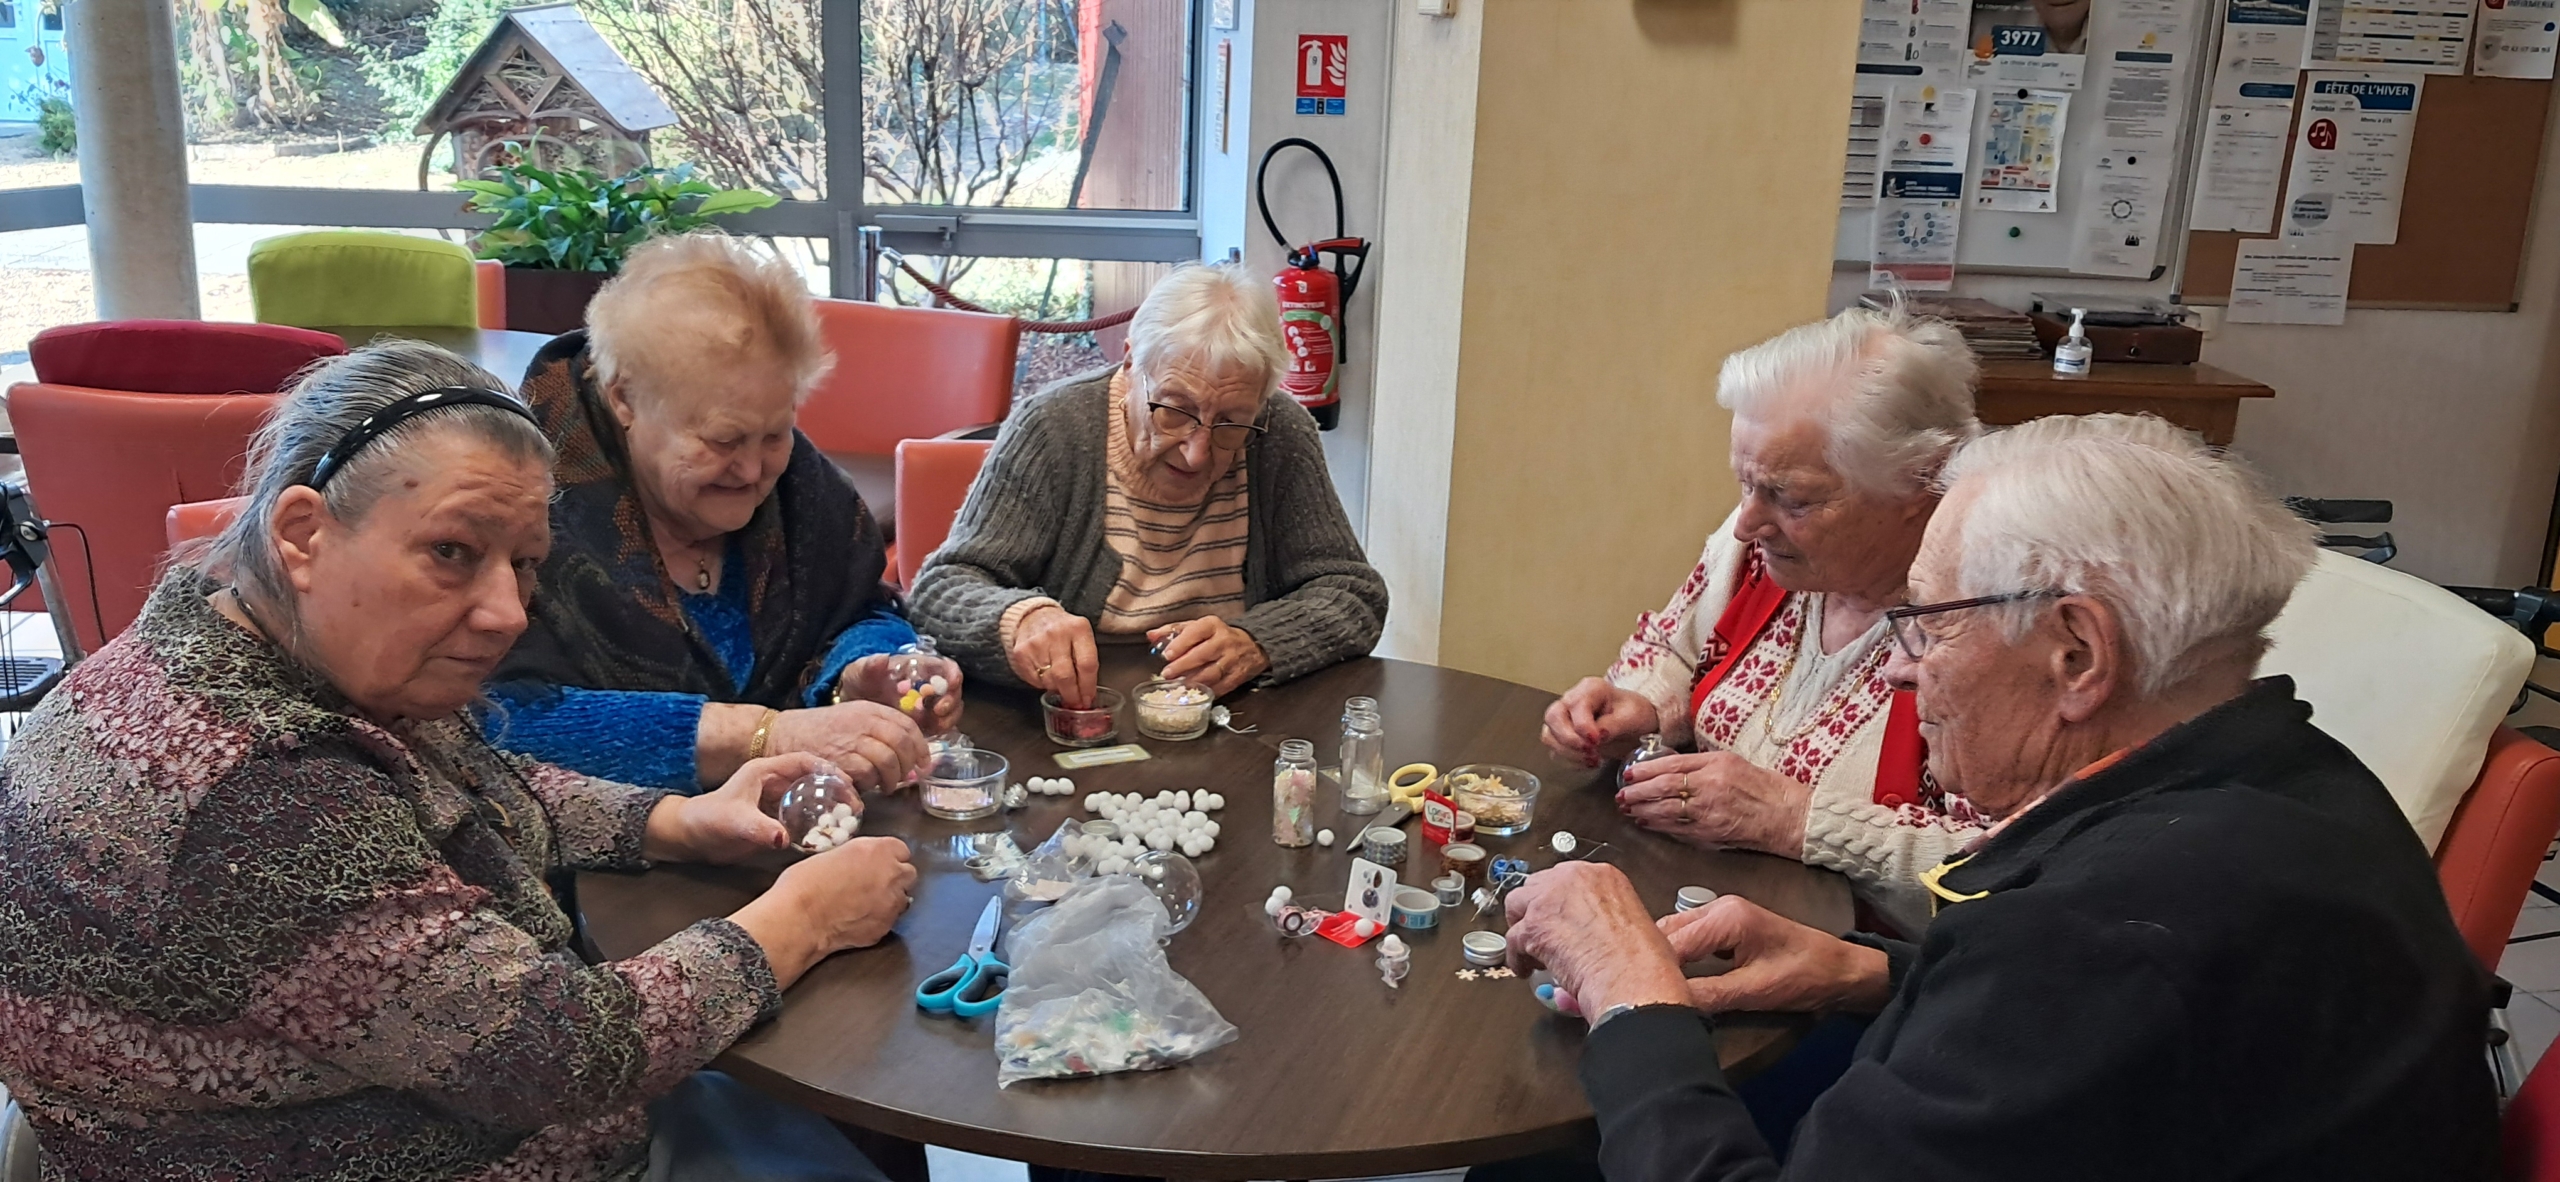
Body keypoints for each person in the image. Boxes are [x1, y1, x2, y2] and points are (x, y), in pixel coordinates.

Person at [0, 342, 920, 1180]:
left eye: (524, 564)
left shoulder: (219, 644)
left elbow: (465, 785)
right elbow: (562, 1055)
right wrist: (804, 918)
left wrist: (676, 820)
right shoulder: (263, 796)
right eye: (451, 551)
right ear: (302, 533)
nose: (508, 613)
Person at [1505, 414, 2498, 1180]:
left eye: (1929, 624)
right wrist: (1863, 970)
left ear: (2077, 654)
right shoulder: (2302, 776)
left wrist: (1628, 990)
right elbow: (2094, 1038)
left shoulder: (2098, 938)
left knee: (1555, 1155)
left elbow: (2083, 984)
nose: (1901, 669)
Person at [1543, 304, 1984, 935]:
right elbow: (1673, 650)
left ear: (1920, 485)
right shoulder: (1762, 546)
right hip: (1698, 900)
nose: (1747, 523)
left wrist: (1796, 819)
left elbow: (2001, 869)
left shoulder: (1986, 623)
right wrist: (1646, 710)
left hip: (1871, 968)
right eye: (1746, 485)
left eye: (1791, 498)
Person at [487, 232, 954, 794]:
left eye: (775, 434)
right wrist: (763, 736)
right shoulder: (523, 510)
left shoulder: (805, 489)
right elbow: (494, 718)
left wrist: (859, 671)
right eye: (723, 440)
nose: (754, 470)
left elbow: (858, 607)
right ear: (624, 399)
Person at [909, 262, 1386, 706]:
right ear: (1130, 364)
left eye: (1231, 422)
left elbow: (1353, 592)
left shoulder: (1279, 431)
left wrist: (1257, 640)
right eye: (1174, 410)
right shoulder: (1053, 428)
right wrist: (1022, 618)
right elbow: (940, 590)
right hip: (1077, 716)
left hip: (1233, 720)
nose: (1197, 452)